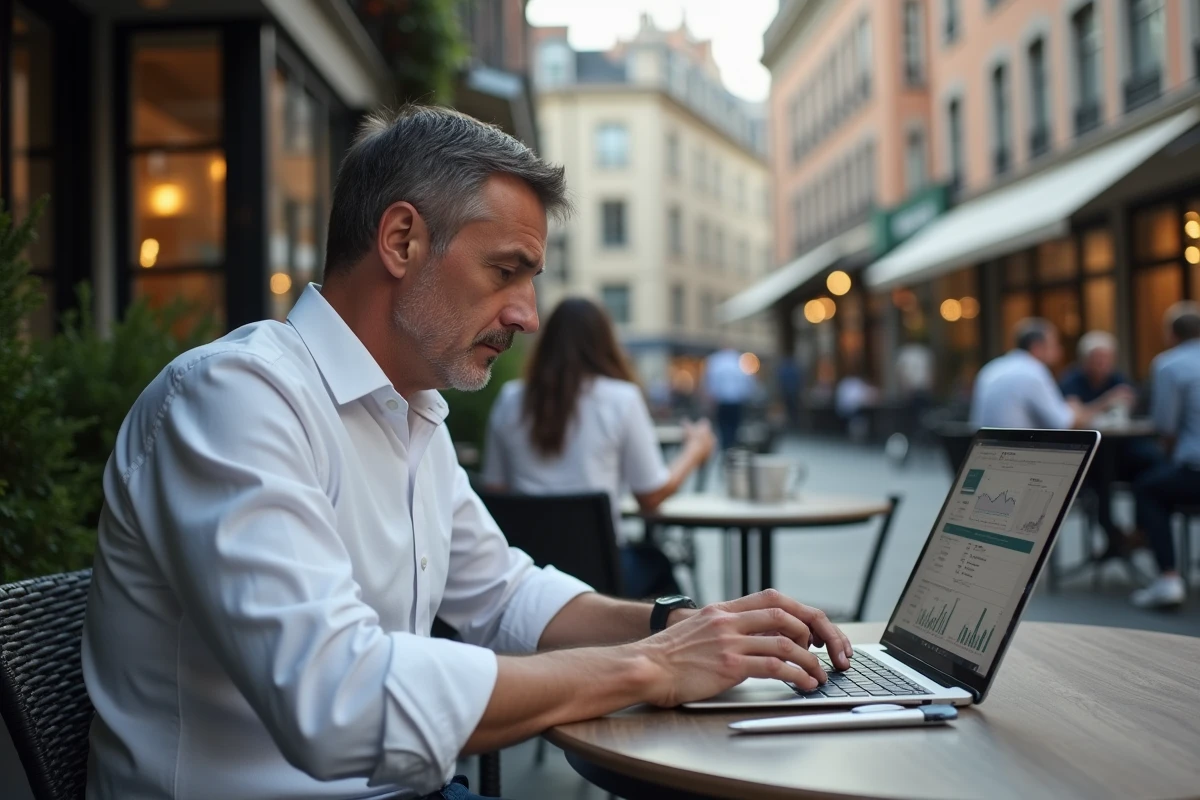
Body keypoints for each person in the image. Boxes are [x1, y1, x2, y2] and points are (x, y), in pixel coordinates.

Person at [81, 106, 852, 800]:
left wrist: (685, 623)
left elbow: (506, 597)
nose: (526, 314)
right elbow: (337, 703)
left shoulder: (412, 411)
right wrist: (652, 665)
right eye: (505, 271)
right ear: (401, 240)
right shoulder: (235, 398)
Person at [481, 297, 715, 599]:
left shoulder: (510, 399)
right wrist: (695, 449)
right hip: (600, 575)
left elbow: (495, 490)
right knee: (659, 569)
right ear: (605, 342)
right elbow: (651, 496)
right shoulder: (621, 399)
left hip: (527, 572)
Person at [1060, 331, 1162, 559]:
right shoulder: (1072, 381)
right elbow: (1075, 418)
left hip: (1119, 450)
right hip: (1089, 456)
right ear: (1084, 360)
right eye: (1097, 359)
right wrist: (1107, 401)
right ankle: (1114, 536)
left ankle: (1139, 532)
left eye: (1106, 359)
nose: (1102, 364)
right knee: (1101, 479)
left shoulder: (1117, 378)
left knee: (1151, 461)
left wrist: (1128, 402)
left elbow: (1129, 407)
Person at [1130, 302, 1200, 609]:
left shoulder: (1169, 364)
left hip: (1195, 470)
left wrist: (1168, 453)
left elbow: (1165, 427)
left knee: (1147, 488)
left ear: (1171, 334)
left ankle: (1168, 578)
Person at [970, 318, 1132, 430]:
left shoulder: (991, 368)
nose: (1059, 350)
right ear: (1037, 347)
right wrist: (1081, 410)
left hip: (987, 454)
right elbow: (1065, 423)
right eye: (1054, 344)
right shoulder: (1032, 371)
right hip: (1018, 459)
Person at [703, 344, 756, 451]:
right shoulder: (739, 360)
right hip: (736, 402)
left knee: (723, 427)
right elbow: (748, 383)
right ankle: (730, 448)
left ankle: (725, 448)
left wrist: (710, 400)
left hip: (721, 401)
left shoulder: (715, 361)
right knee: (734, 427)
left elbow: (709, 383)